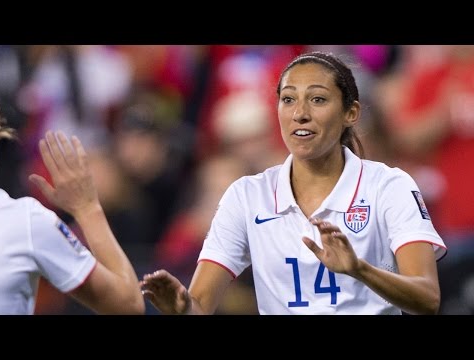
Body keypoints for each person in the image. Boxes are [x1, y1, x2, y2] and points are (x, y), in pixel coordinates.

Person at [141, 51, 447, 315]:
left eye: (317, 99)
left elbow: (428, 299)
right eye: (288, 99)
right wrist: (182, 309)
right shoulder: (246, 196)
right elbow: (200, 305)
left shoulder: (389, 186)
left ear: (350, 113)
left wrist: (359, 269)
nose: (300, 114)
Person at [0, 97, 145, 315]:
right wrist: (88, 208)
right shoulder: (26, 221)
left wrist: (87, 209)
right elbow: (129, 306)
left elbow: (128, 307)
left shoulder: (27, 222)